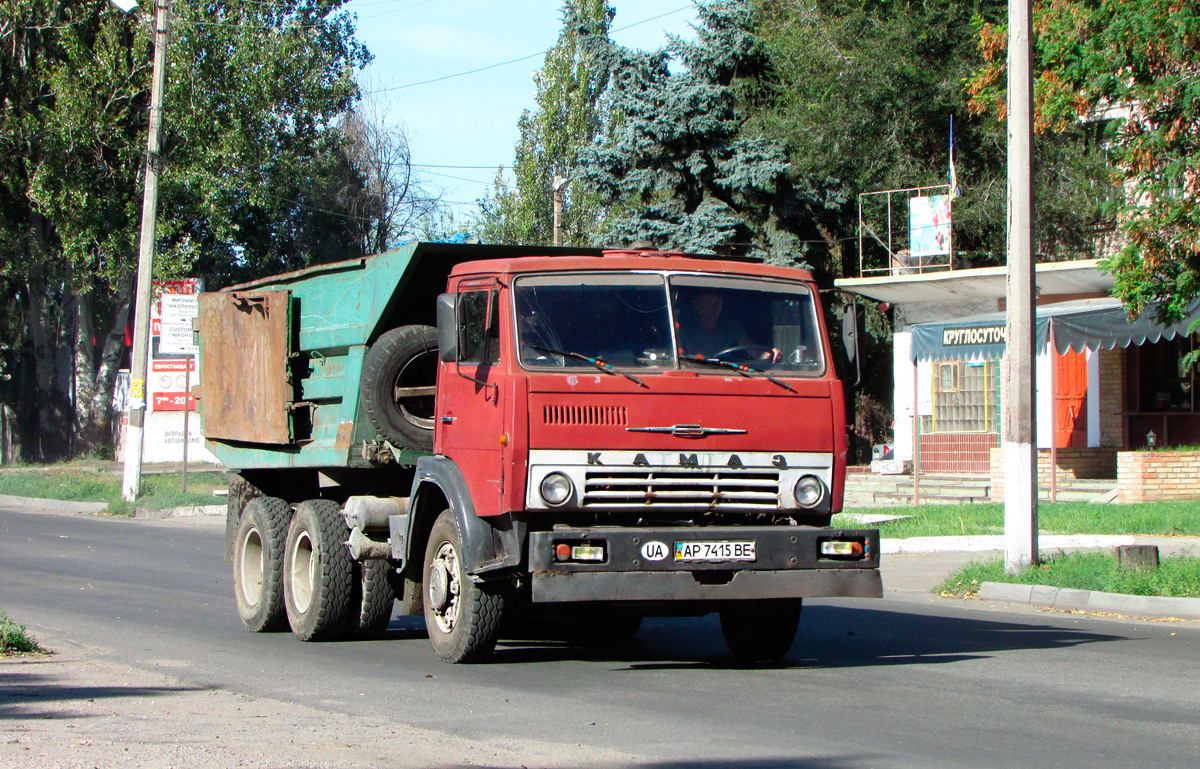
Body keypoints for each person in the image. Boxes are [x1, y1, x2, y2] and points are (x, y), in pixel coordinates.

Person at [676, 292, 778, 362]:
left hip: (726, 373)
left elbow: (756, 353)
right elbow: (680, 362)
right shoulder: (683, 330)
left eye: (718, 303)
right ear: (697, 304)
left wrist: (771, 355)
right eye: (710, 303)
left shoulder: (731, 327)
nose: (714, 308)